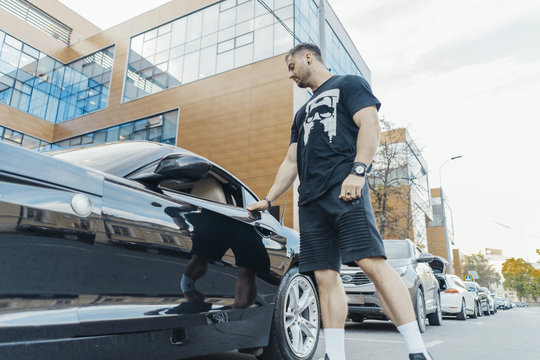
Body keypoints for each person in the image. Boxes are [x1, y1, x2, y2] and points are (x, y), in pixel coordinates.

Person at [246, 43, 433, 360]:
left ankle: (417, 350)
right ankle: (335, 355)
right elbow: (291, 161)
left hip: (345, 190)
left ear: (308, 58)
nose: (290, 75)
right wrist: (268, 198)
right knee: (325, 277)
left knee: (372, 263)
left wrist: (358, 170)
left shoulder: (349, 84)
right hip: (311, 202)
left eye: (291, 67)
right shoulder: (301, 113)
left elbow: (369, 125)